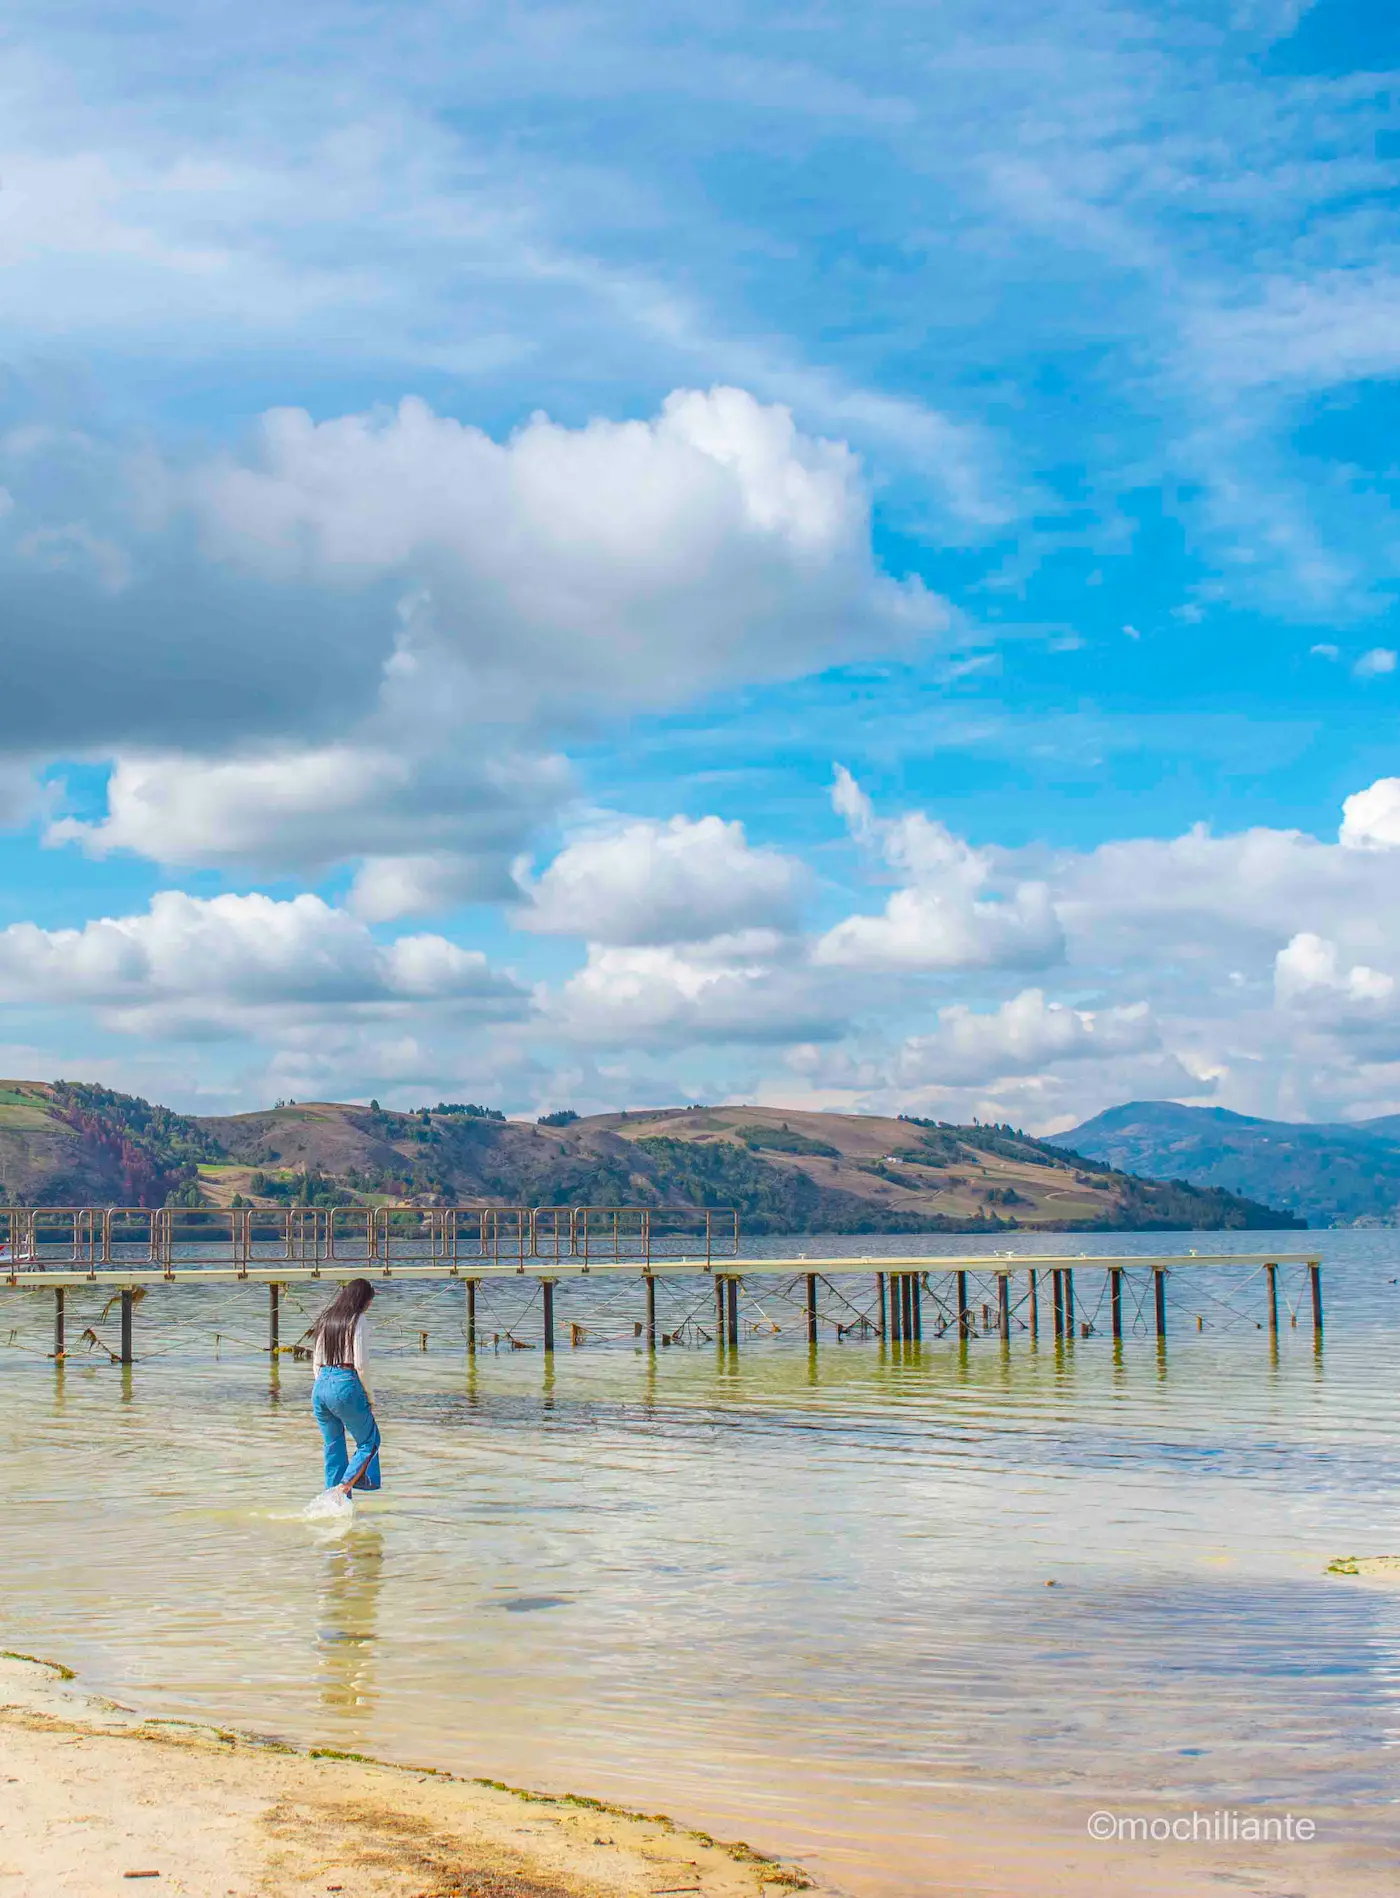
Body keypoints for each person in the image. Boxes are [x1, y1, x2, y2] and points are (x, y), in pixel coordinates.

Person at [311, 1278, 382, 1495]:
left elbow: (316, 1362)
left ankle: (333, 1498)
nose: (369, 1305)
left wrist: (325, 1385)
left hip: (321, 1385)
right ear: (363, 1300)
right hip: (345, 1382)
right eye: (370, 1301)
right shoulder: (358, 1320)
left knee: (333, 1446)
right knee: (370, 1441)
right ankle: (345, 1487)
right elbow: (361, 1365)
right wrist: (369, 1397)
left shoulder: (326, 1318)